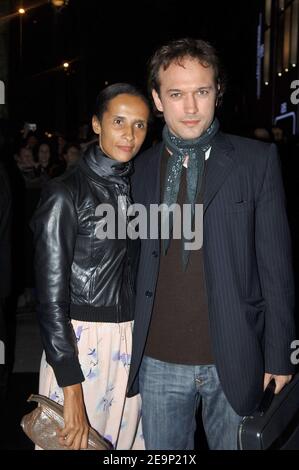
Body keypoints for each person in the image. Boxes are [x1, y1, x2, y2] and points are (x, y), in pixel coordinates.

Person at [127, 38, 296, 450]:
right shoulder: (137, 169)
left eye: (201, 91)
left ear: (217, 92)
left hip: (236, 358)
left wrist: (280, 354)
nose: (190, 107)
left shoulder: (256, 161)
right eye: (176, 94)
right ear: (157, 99)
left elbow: (276, 265)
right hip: (157, 359)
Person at [31, 83, 150, 450]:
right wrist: (71, 389)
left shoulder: (134, 190)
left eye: (141, 125)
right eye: (118, 121)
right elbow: (50, 302)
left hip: (131, 346)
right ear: (96, 124)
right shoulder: (64, 193)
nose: (129, 134)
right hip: (82, 348)